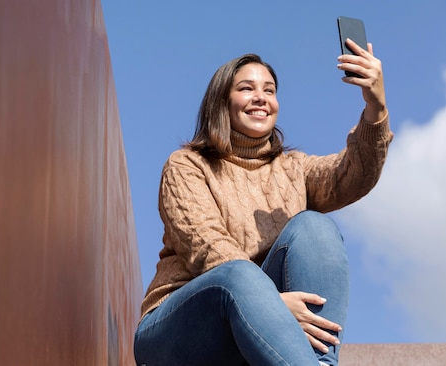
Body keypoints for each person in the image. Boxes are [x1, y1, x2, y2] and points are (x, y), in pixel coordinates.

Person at [133, 39, 393, 366]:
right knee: (237, 274)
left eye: (270, 90)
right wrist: (272, 305)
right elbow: (207, 245)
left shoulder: (293, 168)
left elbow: (353, 175)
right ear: (222, 101)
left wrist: (376, 107)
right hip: (182, 330)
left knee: (316, 227)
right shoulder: (187, 165)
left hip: (268, 333)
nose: (261, 98)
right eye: (247, 88)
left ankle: (320, 362)